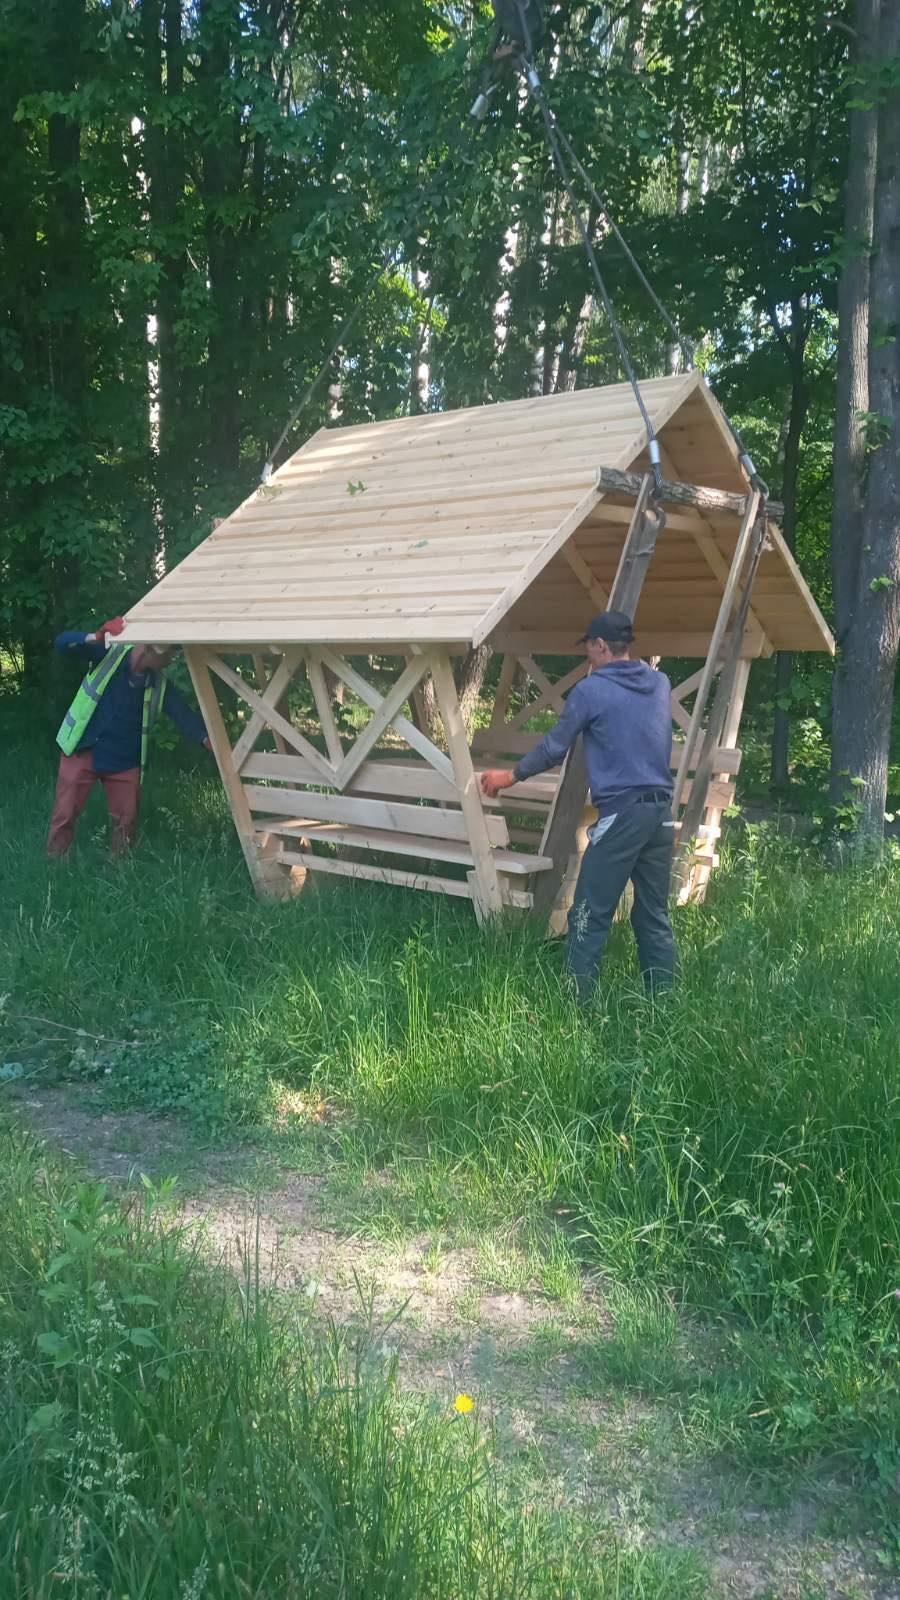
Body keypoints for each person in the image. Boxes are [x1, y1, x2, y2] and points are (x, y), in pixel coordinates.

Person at [480, 611, 676, 1001]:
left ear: (601, 646)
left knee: (588, 914)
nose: (587, 659)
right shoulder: (659, 683)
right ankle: (664, 1005)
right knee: (654, 917)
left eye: (589, 649)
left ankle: (576, 1008)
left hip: (622, 813)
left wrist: (508, 777)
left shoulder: (591, 690)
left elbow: (555, 748)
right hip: (661, 814)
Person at [47, 617, 210, 858]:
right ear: (148, 649)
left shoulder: (160, 685)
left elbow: (186, 718)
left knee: (126, 822)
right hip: (83, 747)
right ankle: (54, 867)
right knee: (64, 814)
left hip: (124, 760)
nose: (171, 659)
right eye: (169, 653)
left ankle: (120, 877)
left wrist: (211, 742)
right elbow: (62, 643)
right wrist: (94, 637)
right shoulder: (108, 653)